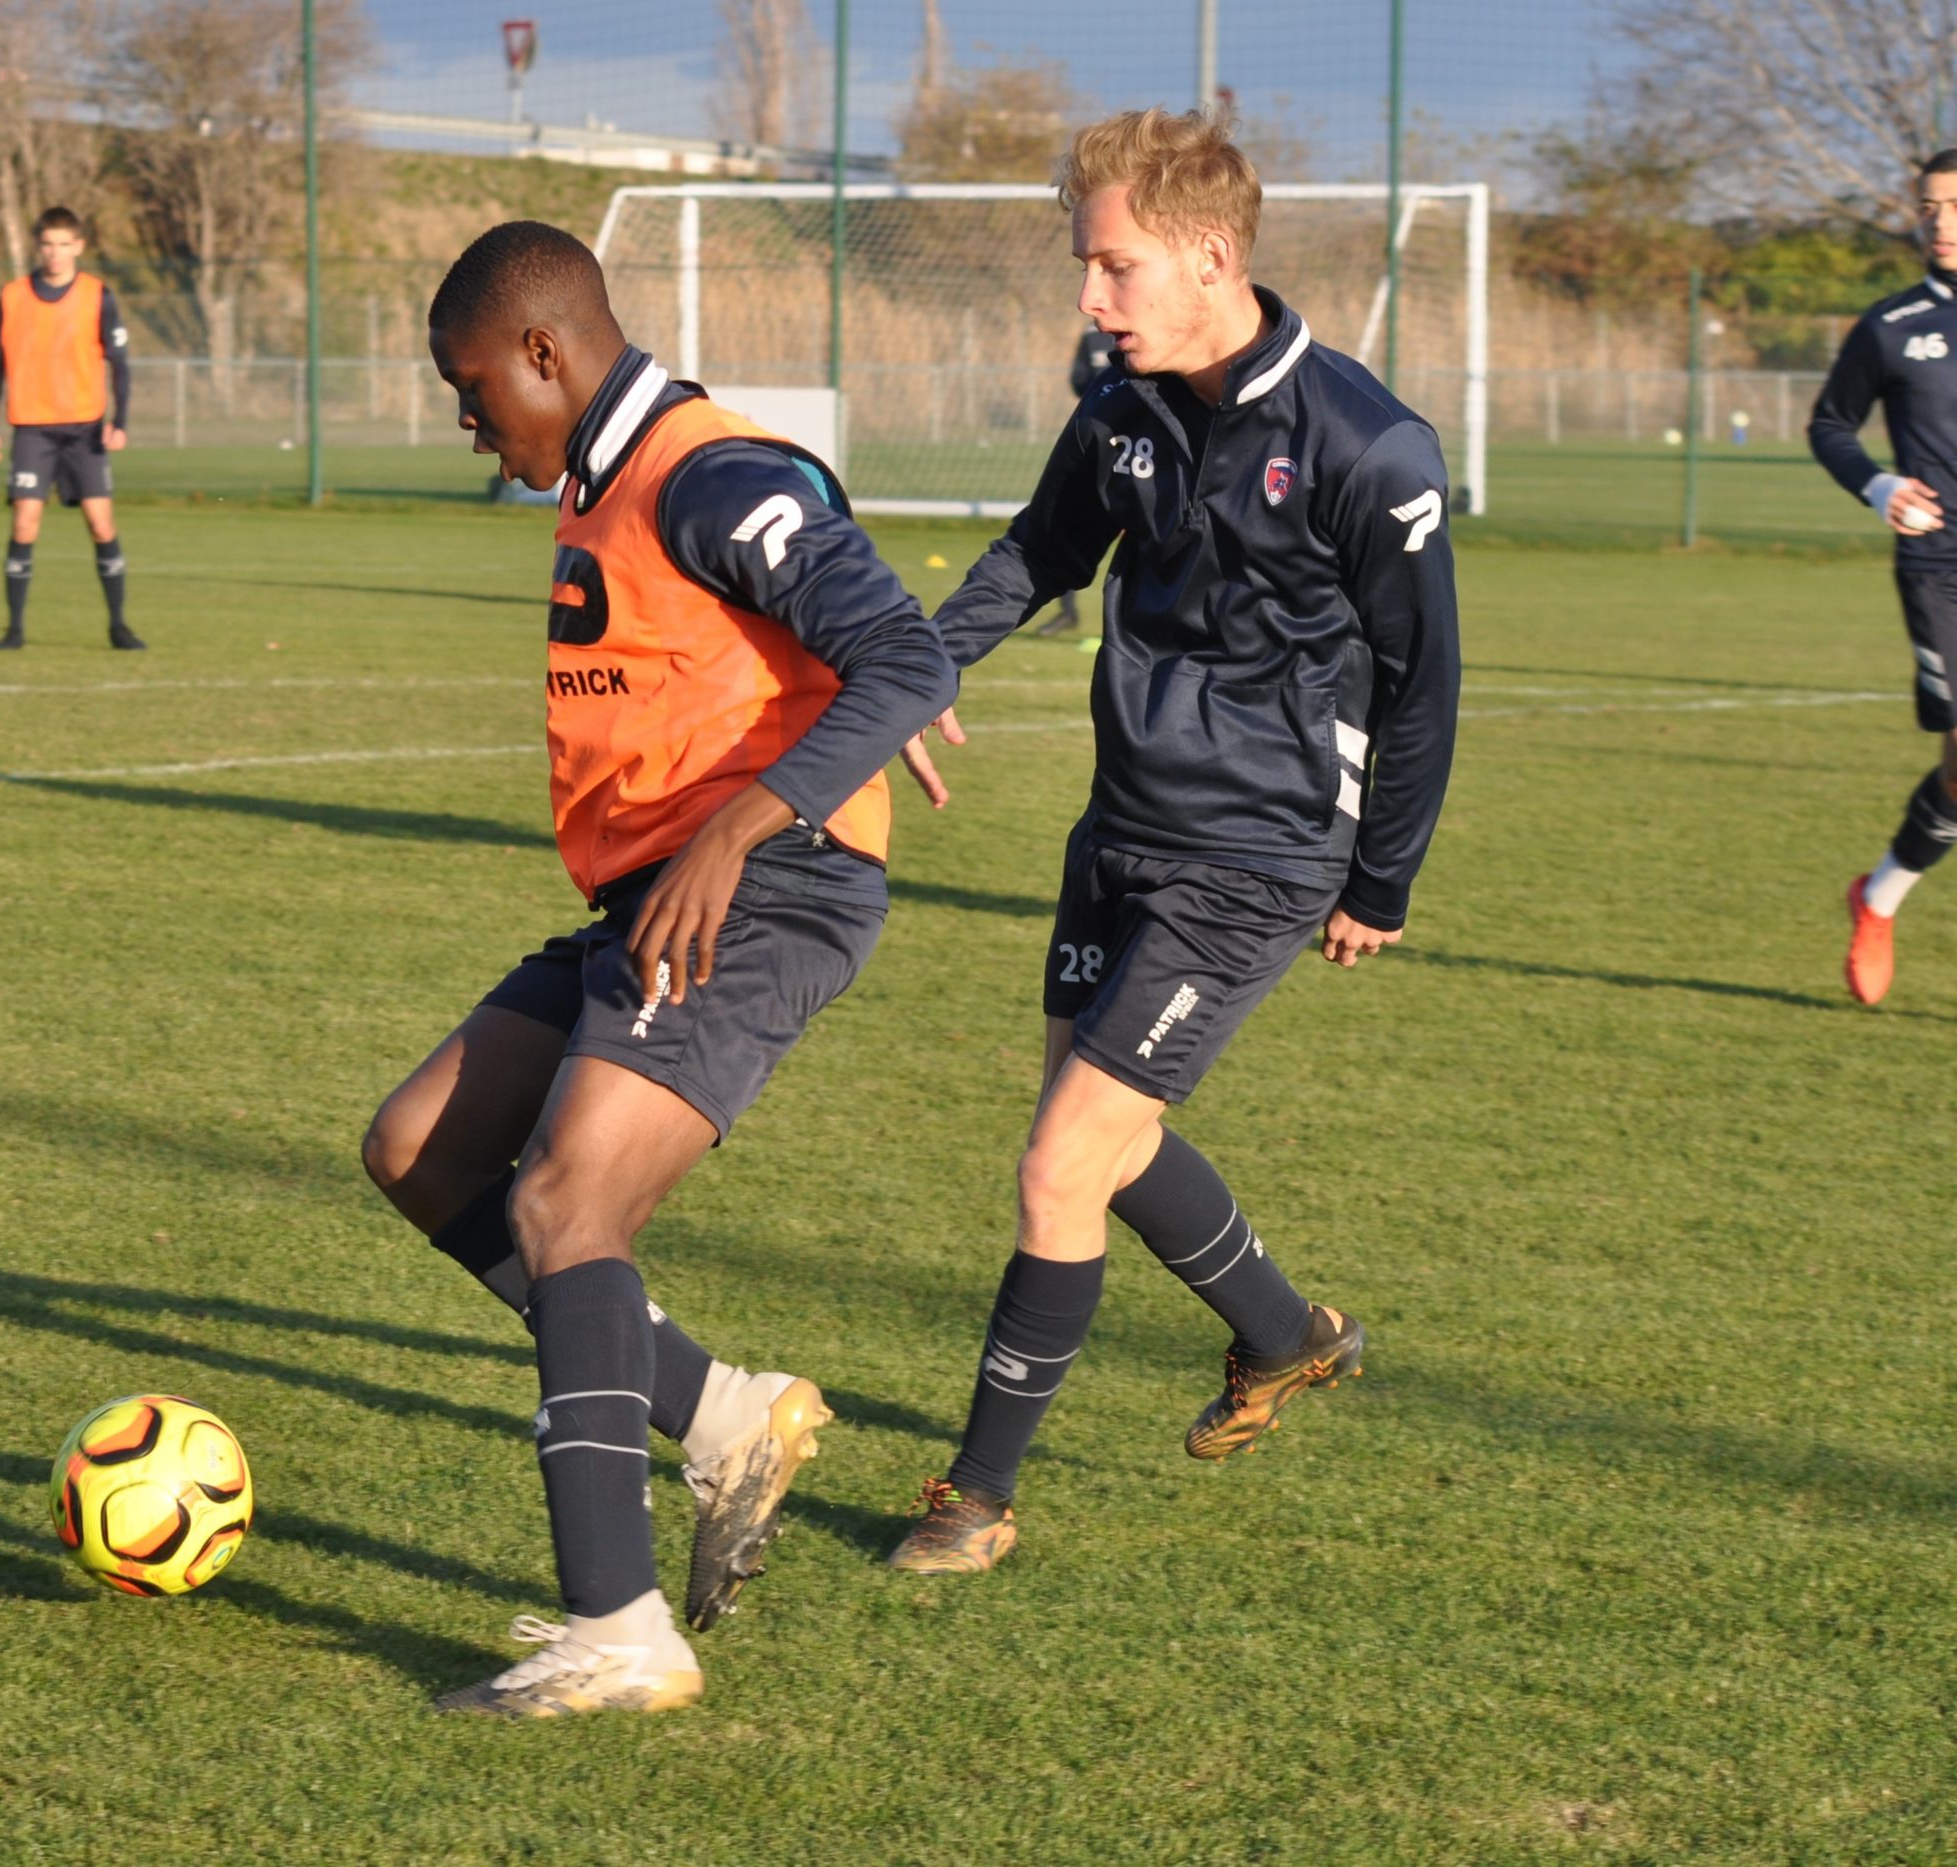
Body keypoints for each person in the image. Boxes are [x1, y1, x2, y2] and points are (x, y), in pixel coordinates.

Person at [362, 220, 955, 1717]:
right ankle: (724, 1412)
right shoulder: (609, 482)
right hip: (656, 890)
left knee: (569, 1199)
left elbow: (908, 653)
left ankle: (617, 1628)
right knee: (423, 1148)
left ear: (547, 353)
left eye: (471, 385)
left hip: (760, 886)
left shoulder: (705, 471)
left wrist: (747, 821)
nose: (467, 422)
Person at [886, 108, 1461, 1574]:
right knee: (1106, 1135)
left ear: (1210, 256)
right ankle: (1283, 1333)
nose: (1091, 297)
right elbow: (1039, 550)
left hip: (1261, 852)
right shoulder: (1124, 405)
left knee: (1060, 1161)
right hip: (1122, 825)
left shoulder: (1365, 440)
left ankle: (975, 1499)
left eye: (1113, 267)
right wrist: (920, 670)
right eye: (1087, 265)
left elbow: (1422, 680)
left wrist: (1379, 875)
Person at [1810, 149, 1957, 1003]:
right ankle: (1880, 899)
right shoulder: (1892, 325)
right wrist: (1878, 484)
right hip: (1941, 566)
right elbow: (1830, 422)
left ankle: (1879, 894)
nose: (1939, 220)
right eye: (1929, 206)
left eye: (1954, 205)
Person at [0, 206, 144, 651]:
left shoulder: (98, 295)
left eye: (64, 244)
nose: (55, 253)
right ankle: (14, 630)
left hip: (85, 429)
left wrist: (121, 420)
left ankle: (118, 625)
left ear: (79, 247)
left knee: (100, 522)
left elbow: (120, 364)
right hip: (32, 428)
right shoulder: (13, 296)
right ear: (38, 247)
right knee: (25, 523)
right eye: (47, 244)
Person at [1029, 325, 1120, 638]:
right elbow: (1078, 379)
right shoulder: (1091, 337)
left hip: (1143, 445)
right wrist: (1106, 396)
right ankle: (1067, 612)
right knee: (1068, 523)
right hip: (1098, 437)